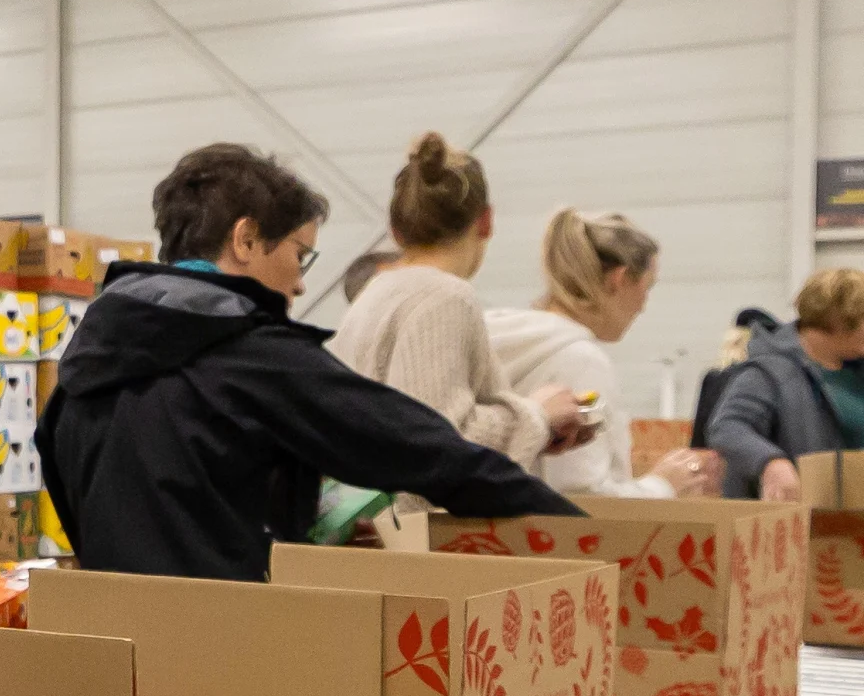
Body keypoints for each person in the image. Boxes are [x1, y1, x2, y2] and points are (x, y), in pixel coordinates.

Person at [39, 141, 576, 579]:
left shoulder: (84, 366)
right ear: (246, 239)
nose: (299, 282)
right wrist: (590, 537)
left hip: (117, 655)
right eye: (299, 254)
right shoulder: (252, 355)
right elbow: (419, 449)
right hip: (226, 660)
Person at [325, 132, 586, 472]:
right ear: (486, 221)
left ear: (396, 230)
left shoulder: (372, 297)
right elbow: (441, 441)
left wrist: (537, 433)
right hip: (419, 524)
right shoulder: (445, 297)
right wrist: (538, 415)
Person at [481, 208, 720, 498]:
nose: (644, 306)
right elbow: (583, 495)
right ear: (618, 280)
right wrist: (663, 485)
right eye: (647, 287)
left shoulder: (513, 340)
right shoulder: (579, 360)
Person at [702, 266, 864, 499]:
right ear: (838, 322)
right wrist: (771, 463)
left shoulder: (856, 368)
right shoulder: (770, 372)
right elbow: (727, 427)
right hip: (804, 515)